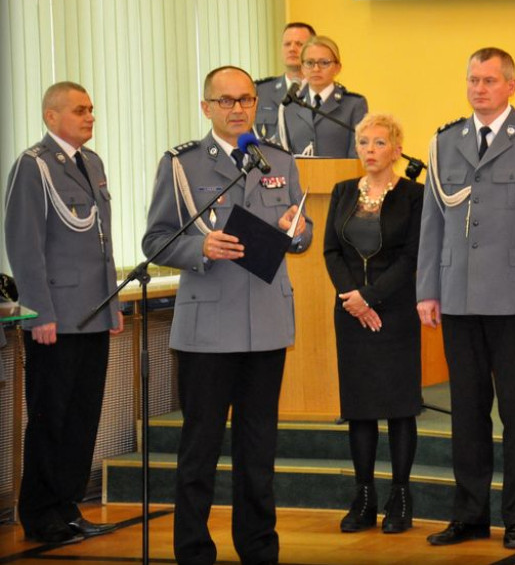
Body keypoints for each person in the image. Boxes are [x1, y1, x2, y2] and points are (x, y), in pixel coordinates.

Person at [142, 66, 311, 565]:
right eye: (226, 101)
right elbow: (155, 241)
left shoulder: (278, 158)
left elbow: (300, 231)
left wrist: (296, 230)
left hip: (266, 322)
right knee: (200, 448)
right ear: (206, 107)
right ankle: (193, 550)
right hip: (208, 328)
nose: (238, 109)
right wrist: (202, 245)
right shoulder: (182, 163)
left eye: (245, 100)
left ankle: (259, 547)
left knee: (258, 450)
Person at [416, 47, 515, 550]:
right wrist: (427, 289)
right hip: (458, 298)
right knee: (466, 411)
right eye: (472, 79)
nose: (479, 88)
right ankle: (469, 514)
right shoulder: (445, 141)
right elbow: (433, 223)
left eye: (489, 80)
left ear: (511, 85)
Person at [4, 82, 124, 545]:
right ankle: (40, 513)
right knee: (51, 416)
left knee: (82, 416)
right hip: (55, 316)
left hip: (92, 312)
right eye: (79, 110)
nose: (89, 117)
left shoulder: (90, 163)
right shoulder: (33, 166)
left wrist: (112, 305)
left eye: (91, 109)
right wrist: (39, 314)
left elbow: (103, 245)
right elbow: (25, 246)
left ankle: (68, 506)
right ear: (51, 117)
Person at [323, 113, 423, 535]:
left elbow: (413, 256)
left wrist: (372, 297)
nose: (369, 150)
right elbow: (331, 251)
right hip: (351, 313)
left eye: (379, 143)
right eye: (363, 142)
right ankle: (363, 497)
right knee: (360, 409)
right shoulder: (343, 192)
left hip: (395, 312)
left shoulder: (414, 196)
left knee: (400, 409)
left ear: (397, 150)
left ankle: (399, 497)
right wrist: (354, 299)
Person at [280, 35, 367, 157]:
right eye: (309, 63)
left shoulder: (354, 105)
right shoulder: (291, 106)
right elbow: (285, 156)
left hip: (343, 175)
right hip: (301, 176)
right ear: (303, 68)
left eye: (324, 63)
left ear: (337, 68)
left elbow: (357, 155)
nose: (316, 69)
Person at [255, 22, 316, 143]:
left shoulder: (320, 94)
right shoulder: (261, 91)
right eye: (287, 44)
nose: (292, 49)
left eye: (299, 44)